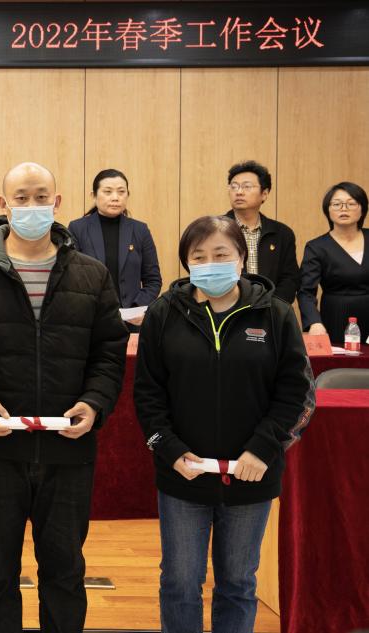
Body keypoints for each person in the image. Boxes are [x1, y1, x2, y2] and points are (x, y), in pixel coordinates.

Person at [0, 162, 128, 633]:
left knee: (64, 572)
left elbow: (109, 354)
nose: (31, 206)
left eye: (41, 197)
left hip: (68, 450)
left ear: (57, 202)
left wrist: (95, 402)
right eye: (21, 198)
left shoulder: (92, 275)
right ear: (3, 205)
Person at [134, 214, 314, 633]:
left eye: (221, 254)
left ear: (241, 258)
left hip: (251, 475)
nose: (210, 263)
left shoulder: (274, 313)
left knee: (237, 582)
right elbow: (147, 394)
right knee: (180, 582)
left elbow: (296, 392)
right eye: (199, 256)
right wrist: (171, 450)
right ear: (186, 262)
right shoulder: (164, 314)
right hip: (184, 475)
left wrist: (262, 449)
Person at [68, 168, 162, 328]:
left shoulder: (140, 230)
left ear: (127, 195)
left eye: (121, 192)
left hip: (131, 321)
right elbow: (71, 278)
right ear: (93, 195)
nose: (115, 197)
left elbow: (153, 280)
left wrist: (137, 307)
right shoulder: (77, 228)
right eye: (107, 192)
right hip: (91, 319)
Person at [298, 182, 369, 346]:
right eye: (337, 204)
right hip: (335, 315)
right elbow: (306, 292)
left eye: (351, 203)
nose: (344, 209)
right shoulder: (316, 247)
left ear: (363, 208)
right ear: (327, 210)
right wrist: (314, 322)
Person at [223, 160, 299, 304]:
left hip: (270, 309)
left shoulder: (282, 233)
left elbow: (289, 279)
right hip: (227, 307)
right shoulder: (216, 230)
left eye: (247, 186)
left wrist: (274, 307)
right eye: (234, 186)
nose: (239, 192)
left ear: (264, 193)